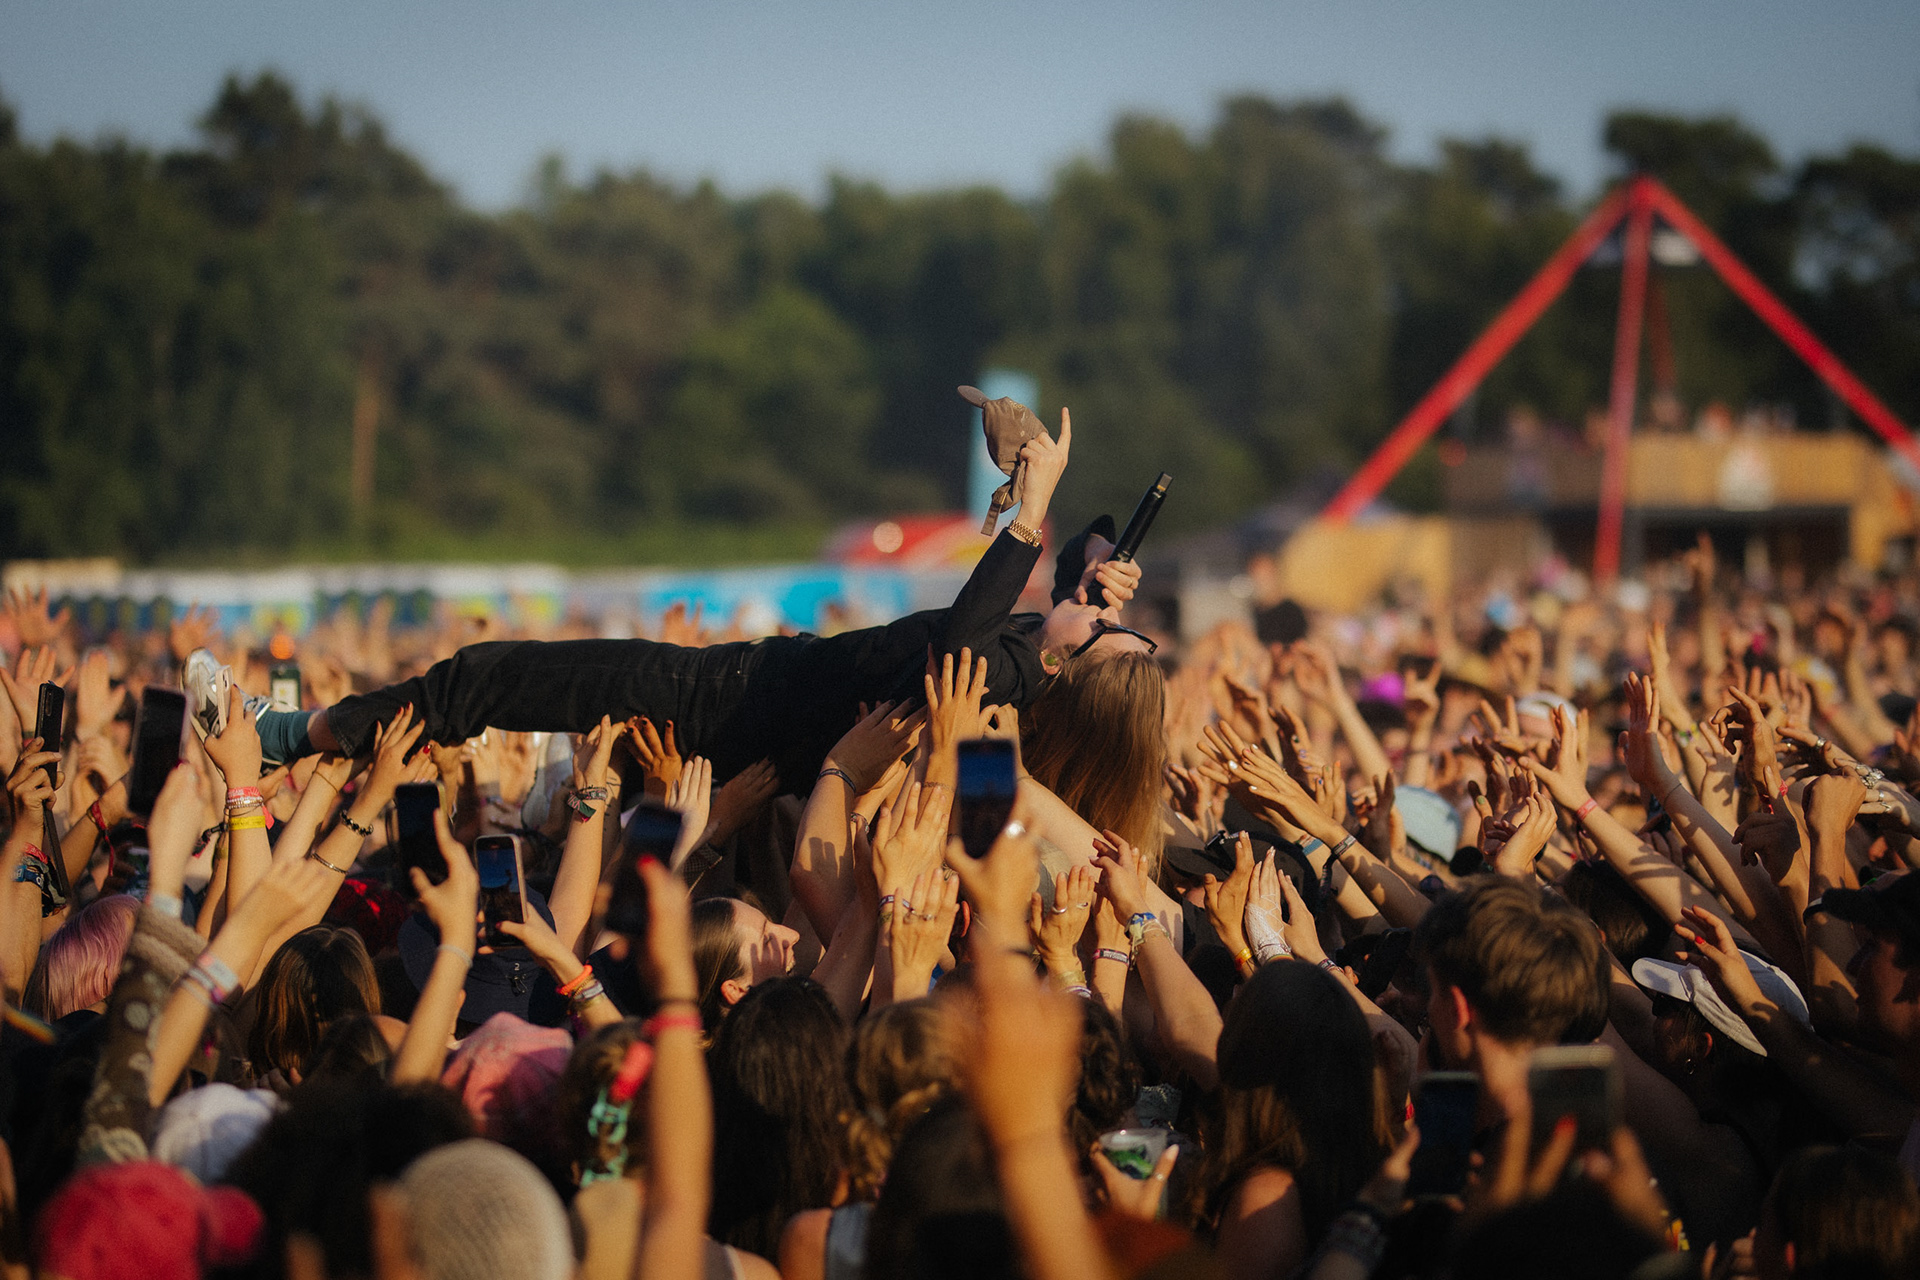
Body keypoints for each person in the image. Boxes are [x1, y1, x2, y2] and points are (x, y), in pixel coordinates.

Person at [220, 412, 1152, 792]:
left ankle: (295, 738)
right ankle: (307, 746)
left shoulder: (1005, 673)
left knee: (494, 677)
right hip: (738, 696)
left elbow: (966, 642)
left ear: (1080, 669)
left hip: (723, 704)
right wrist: (1082, 578)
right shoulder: (1031, 652)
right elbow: (1022, 621)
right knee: (503, 697)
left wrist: (1030, 510)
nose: (1105, 605)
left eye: (1116, 630)